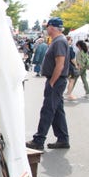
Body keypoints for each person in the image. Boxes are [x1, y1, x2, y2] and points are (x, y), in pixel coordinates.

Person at [26, 17, 71, 151]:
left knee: (48, 110)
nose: (46, 29)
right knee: (57, 110)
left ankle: (39, 140)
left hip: (56, 80)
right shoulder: (59, 41)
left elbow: (60, 64)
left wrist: (52, 82)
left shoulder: (59, 42)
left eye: (47, 27)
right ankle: (63, 138)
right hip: (57, 79)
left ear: (52, 27)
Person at [64, 36, 79, 101]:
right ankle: (69, 94)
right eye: (71, 40)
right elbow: (72, 59)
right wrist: (76, 65)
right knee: (71, 81)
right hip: (69, 66)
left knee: (65, 80)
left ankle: (67, 93)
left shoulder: (62, 47)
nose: (71, 41)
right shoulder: (70, 48)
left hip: (63, 65)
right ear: (68, 40)